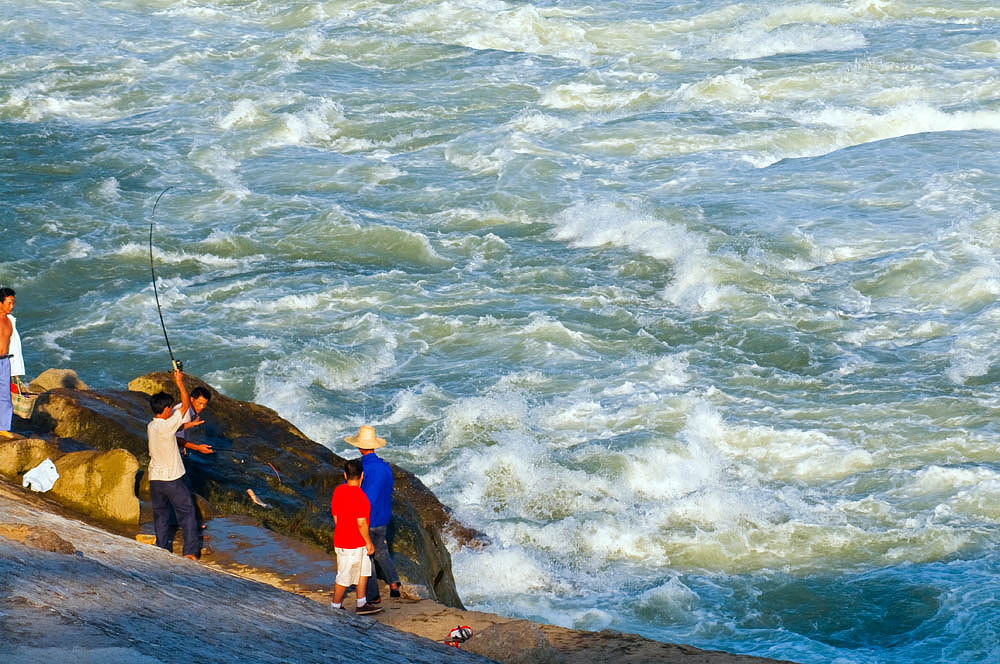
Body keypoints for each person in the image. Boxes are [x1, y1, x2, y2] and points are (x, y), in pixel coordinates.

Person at [147, 367, 201, 560]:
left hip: (155, 480)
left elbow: (174, 428)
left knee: (161, 516)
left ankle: (162, 549)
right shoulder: (167, 424)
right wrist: (179, 382)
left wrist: (188, 425)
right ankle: (190, 552)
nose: (172, 409)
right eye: (170, 407)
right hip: (171, 479)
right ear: (166, 409)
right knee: (187, 513)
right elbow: (186, 405)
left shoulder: (152, 425)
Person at [345, 425, 402, 605]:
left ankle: (372, 595)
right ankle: (394, 583)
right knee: (381, 551)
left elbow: (360, 494)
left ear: (360, 447)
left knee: (366, 556)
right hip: (383, 515)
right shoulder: (386, 467)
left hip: (367, 516)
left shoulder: (363, 468)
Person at [330, 458, 381, 615]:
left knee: (363, 570)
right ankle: (335, 606)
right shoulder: (362, 498)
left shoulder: (338, 491)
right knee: (344, 575)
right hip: (354, 542)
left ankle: (361, 602)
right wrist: (369, 542)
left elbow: (336, 516)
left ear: (345, 475)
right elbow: (361, 523)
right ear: (362, 475)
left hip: (342, 539)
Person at [0, 287, 15, 432]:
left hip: (5, 361)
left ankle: (3, 428)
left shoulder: (9, 321)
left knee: (5, 396)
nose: (12, 306)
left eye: (13, 303)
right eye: (9, 303)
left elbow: (11, 344)